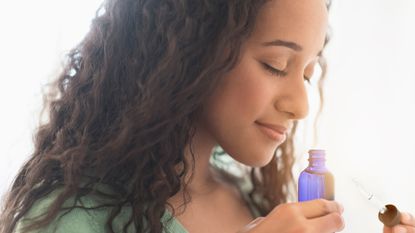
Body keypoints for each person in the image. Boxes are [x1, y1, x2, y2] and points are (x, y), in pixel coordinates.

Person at [1, 0, 414, 232]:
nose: (301, 105)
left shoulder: (251, 197)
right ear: (190, 54)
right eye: (275, 64)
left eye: (308, 72)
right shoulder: (74, 222)